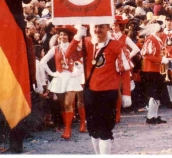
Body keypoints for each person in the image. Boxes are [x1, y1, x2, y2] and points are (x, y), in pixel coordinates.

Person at [65, 23, 132, 154]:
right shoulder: (87, 43)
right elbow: (68, 55)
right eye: (95, 26)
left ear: (108, 28)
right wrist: (77, 36)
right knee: (93, 130)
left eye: (101, 26)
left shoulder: (117, 45)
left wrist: (126, 94)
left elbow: (125, 71)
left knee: (105, 131)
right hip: (90, 92)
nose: (97, 30)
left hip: (108, 93)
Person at [40, 25, 84, 139]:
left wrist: (77, 73)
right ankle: (67, 126)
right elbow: (43, 62)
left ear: (69, 36)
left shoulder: (74, 47)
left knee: (68, 104)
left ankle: (68, 129)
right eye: (60, 35)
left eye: (64, 34)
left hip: (71, 78)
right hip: (59, 78)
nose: (62, 36)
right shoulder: (55, 49)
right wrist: (52, 73)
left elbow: (83, 62)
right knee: (62, 106)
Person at [111, 15, 140, 123]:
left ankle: (117, 113)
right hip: (111, 66)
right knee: (112, 90)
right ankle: (113, 112)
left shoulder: (124, 37)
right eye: (113, 26)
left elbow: (136, 49)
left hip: (122, 67)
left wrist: (127, 57)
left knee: (119, 89)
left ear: (121, 27)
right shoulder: (109, 36)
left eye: (117, 26)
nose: (115, 28)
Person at [140, 22, 168, 124]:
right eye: (160, 31)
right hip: (150, 70)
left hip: (157, 70)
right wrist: (161, 60)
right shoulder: (151, 39)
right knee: (153, 94)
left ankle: (154, 115)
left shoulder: (157, 40)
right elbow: (147, 56)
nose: (162, 33)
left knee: (157, 94)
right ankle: (150, 117)